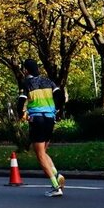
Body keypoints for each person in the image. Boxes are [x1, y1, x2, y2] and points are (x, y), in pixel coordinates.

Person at [19, 60, 65, 198]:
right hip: (50, 119)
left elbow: (20, 103)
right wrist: (57, 109)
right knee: (43, 152)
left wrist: (22, 115)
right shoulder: (48, 81)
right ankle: (57, 175)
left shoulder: (26, 83)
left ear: (26, 70)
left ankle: (55, 186)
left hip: (37, 119)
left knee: (39, 155)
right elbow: (60, 96)